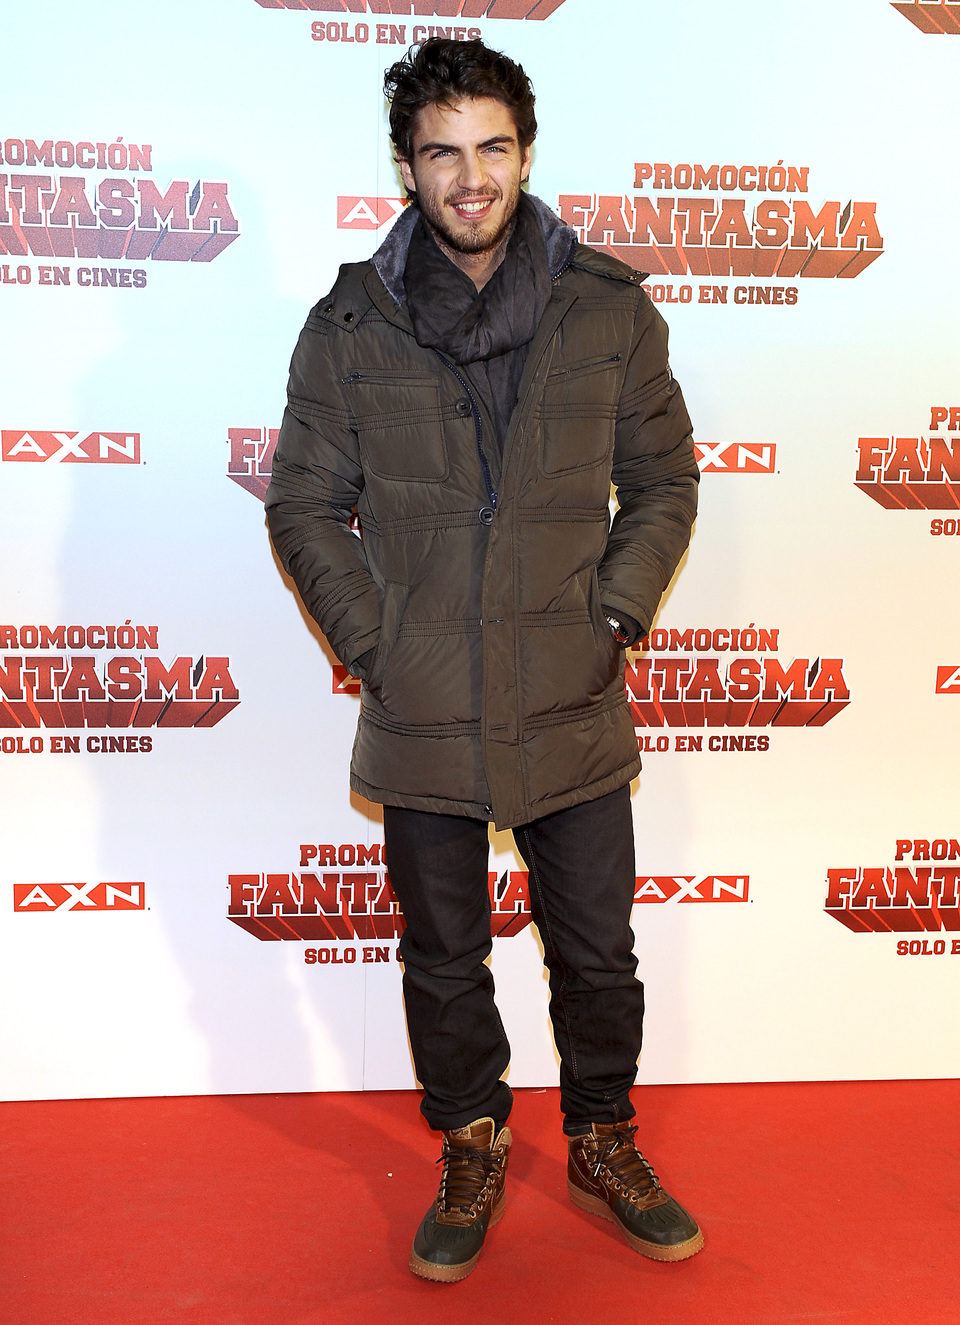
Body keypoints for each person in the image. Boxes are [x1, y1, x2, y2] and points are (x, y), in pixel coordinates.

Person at [266, 37, 701, 1282]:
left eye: (492, 147)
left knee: (598, 949)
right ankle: (470, 1139)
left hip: (571, 693)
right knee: (443, 955)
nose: (471, 176)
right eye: (443, 152)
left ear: (525, 152)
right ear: (407, 167)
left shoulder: (610, 308)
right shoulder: (349, 323)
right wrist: (376, 644)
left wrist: (613, 615)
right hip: (425, 704)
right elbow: (304, 503)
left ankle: (606, 1136)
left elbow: (664, 479)